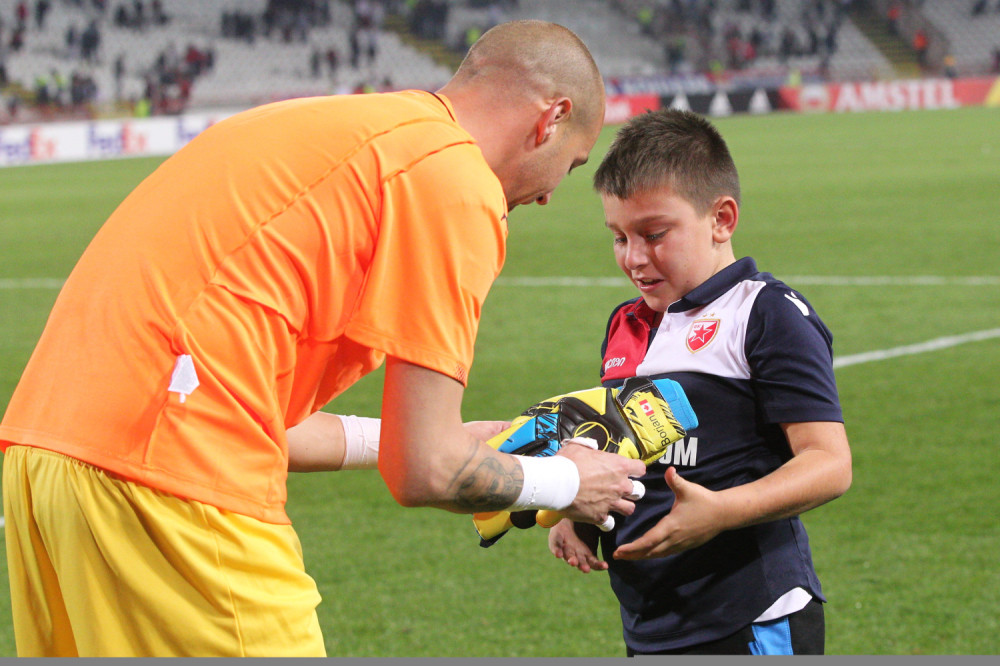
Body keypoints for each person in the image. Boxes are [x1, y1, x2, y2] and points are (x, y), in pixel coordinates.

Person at [0, 20, 647, 657]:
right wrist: (566, 481)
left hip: (44, 462)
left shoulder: (328, 126)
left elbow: (250, 412)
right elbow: (424, 468)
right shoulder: (455, 178)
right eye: (572, 164)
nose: (548, 198)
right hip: (168, 483)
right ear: (551, 119)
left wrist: (423, 436)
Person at [548, 109, 852, 655]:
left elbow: (829, 464)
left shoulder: (764, 314)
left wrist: (723, 511)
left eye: (654, 234)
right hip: (652, 621)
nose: (634, 258)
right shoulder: (624, 324)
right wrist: (585, 514)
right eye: (619, 237)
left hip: (750, 615)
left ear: (721, 219)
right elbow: (630, 451)